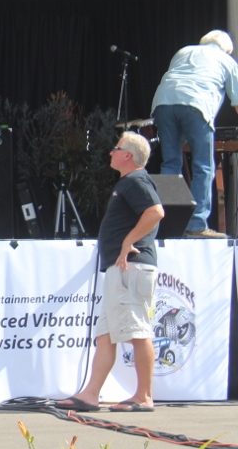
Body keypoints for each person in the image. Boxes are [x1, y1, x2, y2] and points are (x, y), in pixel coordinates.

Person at [54, 132, 164, 413]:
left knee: (137, 331)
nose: (110, 153)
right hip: (121, 269)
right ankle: (91, 393)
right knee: (105, 334)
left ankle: (144, 396)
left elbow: (155, 212)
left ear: (128, 155)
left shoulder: (136, 180)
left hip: (131, 268)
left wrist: (128, 242)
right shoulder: (128, 183)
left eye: (116, 148)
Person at [150, 30, 238, 238]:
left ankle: (169, 223)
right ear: (227, 49)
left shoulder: (183, 51)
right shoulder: (226, 59)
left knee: (171, 163)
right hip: (196, 105)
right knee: (203, 166)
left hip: (163, 103)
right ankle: (197, 225)